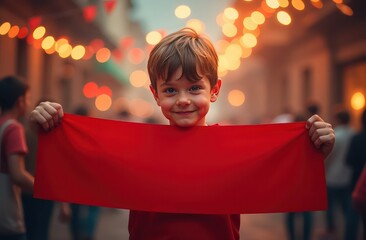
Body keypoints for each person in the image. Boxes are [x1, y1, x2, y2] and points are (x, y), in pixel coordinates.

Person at [28, 28, 335, 240]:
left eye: (194, 88)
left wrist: (315, 150)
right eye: (171, 90)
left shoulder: (234, 150)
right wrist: (50, 128)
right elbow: (82, 162)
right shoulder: (135, 149)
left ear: (214, 90)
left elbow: (283, 173)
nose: (183, 99)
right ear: (155, 94)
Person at [0, 76, 33, 240]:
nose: (28, 103)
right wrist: (42, 187)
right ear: (20, 101)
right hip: (7, 221)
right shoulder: (14, 128)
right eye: (27, 99)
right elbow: (17, 175)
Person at [322, 110, 355, 239]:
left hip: (333, 176)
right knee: (346, 208)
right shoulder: (353, 133)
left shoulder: (335, 135)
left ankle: (331, 230)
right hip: (347, 176)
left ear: (337, 119)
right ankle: (349, 232)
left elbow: (328, 157)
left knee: (330, 207)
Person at [346, 109, 366, 240]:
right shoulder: (353, 134)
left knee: (353, 218)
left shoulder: (357, 137)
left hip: (357, 181)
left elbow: (349, 160)